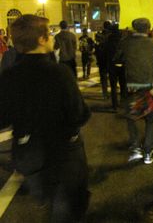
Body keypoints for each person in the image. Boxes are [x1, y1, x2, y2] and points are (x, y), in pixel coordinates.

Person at [0, 14, 90, 222]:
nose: (51, 37)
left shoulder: (9, 76)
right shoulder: (59, 73)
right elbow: (79, 115)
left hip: (29, 155)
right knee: (66, 210)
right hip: (62, 155)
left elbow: (2, 118)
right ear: (41, 39)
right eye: (48, 33)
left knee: (47, 198)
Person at [117, 18, 153, 164]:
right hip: (148, 85)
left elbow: (117, 57)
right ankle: (148, 152)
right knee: (150, 120)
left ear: (134, 28)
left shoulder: (126, 42)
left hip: (131, 86)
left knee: (132, 117)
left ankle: (136, 148)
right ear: (148, 28)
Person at [95, 21, 112, 99]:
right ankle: (113, 92)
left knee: (103, 77)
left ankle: (105, 93)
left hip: (101, 59)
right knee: (112, 77)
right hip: (110, 59)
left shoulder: (99, 35)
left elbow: (96, 47)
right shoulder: (112, 36)